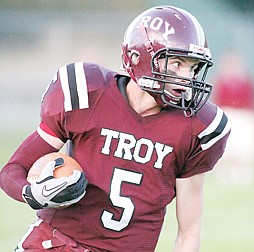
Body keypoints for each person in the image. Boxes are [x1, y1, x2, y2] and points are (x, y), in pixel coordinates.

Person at [0, 6, 230, 252]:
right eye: (177, 63)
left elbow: (189, 234)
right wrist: (33, 193)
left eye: (193, 68)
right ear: (138, 57)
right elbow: (13, 170)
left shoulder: (195, 126)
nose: (187, 79)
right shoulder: (89, 95)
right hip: (56, 243)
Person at [212, 52, 254, 184]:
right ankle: (226, 172)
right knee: (228, 145)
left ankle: (243, 172)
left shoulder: (246, 81)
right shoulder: (222, 81)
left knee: (244, 146)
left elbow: (253, 100)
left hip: (243, 115)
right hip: (229, 114)